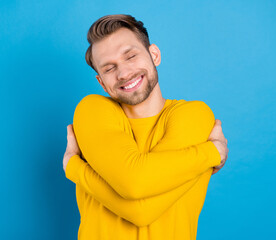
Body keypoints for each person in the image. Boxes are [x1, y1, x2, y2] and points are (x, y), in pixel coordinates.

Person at [63, 14, 228, 240]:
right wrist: (211, 153)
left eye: (130, 56)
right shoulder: (92, 110)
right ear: (101, 82)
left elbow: (141, 209)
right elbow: (136, 186)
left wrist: (75, 168)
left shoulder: (194, 115)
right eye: (109, 69)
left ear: (154, 55)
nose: (124, 73)